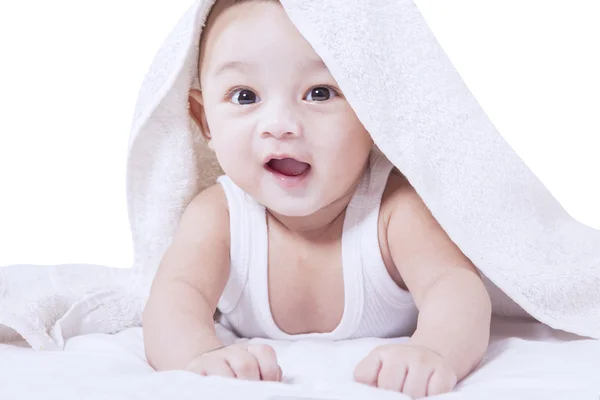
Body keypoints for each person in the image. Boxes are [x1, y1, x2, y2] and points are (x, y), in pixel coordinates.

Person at [142, 0, 492, 397]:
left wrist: (434, 350)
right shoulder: (219, 217)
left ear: (374, 110)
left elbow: (456, 288)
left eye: (320, 92)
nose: (281, 126)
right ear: (205, 120)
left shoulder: (394, 211)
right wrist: (197, 356)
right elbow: (174, 298)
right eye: (244, 96)